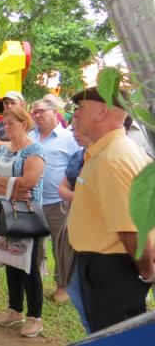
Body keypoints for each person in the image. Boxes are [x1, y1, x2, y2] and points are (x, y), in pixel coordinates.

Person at [67, 87, 154, 332]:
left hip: (112, 271)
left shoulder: (113, 157)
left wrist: (147, 274)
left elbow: (131, 231)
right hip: (106, 267)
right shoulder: (109, 150)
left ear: (101, 111)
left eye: (81, 108)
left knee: (114, 335)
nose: (76, 115)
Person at [0, 105, 46, 338]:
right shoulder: (1, 151)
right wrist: (9, 187)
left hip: (27, 213)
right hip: (5, 210)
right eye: (4, 123)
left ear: (24, 124)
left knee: (29, 265)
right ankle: (15, 310)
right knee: (11, 260)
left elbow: (29, 181)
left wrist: (1, 183)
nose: (6, 127)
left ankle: (35, 317)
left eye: (11, 123)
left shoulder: (34, 150)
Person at [29, 98, 80, 303]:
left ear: (54, 112)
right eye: (34, 112)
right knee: (35, 245)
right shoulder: (30, 137)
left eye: (41, 111)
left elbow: (78, 167)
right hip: (33, 202)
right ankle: (36, 281)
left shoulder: (68, 138)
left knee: (62, 246)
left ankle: (63, 286)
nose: (37, 115)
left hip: (58, 203)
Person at [57, 126, 92, 333]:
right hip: (73, 224)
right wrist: (84, 199)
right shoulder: (79, 156)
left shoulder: (113, 157)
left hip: (99, 240)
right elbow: (62, 188)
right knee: (74, 284)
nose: (74, 131)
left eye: (79, 127)